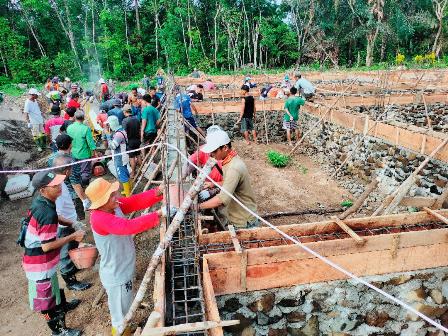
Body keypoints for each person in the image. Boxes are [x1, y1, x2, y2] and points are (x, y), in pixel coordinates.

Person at [86, 178, 170, 336]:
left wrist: (156, 192)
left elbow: (133, 201)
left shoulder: (112, 206)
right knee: (119, 315)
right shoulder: (99, 217)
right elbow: (127, 227)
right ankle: (120, 332)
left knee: (126, 304)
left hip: (123, 266)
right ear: (101, 203)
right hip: (116, 273)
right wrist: (157, 215)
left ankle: (126, 327)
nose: (116, 196)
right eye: (111, 195)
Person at [22, 170, 85, 336]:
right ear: (43, 190)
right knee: (46, 301)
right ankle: (58, 330)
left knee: (53, 286)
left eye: (59, 183)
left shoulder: (43, 202)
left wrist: (72, 222)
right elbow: (47, 246)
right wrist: (73, 235)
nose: (59, 187)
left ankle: (62, 306)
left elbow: (56, 216)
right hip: (39, 264)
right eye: (54, 185)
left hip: (43, 261)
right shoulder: (46, 212)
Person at [198, 130, 258, 229]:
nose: (211, 154)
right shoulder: (229, 160)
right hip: (238, 214)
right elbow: (230, 182)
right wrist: (214, 184)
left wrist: (198, 207)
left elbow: (221, 200)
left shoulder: (233, 168)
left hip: (243, 220)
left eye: (214, 151)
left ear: (225, 148)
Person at [52, 155, 92, 291]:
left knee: (72, 247)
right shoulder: (56, 187)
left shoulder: (59, 181)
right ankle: (70, 281)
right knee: (65, 252)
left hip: (69, 222)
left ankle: (73, 267)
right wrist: (72, 224)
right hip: (64, 227)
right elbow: (55, 215)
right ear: (67, 170)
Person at [48, 134, 91, 218]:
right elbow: (75, 183)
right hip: (72, 195)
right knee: (75, 217)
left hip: (58, 191)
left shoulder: (51, 158)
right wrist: (84, 199)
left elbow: (50, 174)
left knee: (64, 215)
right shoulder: (70, 160)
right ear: (70, 144)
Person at [66, 110, 97, 187]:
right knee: (85, 172)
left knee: (76, 170)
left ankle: (78, 185)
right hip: (84, 154)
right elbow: (90, 142)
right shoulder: (86, 129)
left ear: (75, 117)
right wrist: (94, 152)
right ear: (83, 118)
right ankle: (85, 187)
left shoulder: (69, 128)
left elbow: (68, 140)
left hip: (73, 152)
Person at [104, 115, 131, 196]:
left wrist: (108, 136)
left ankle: (128, 194)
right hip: (124, 156)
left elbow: (113, 146)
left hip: (120, 158)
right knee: (126, 173)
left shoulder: (118, 135)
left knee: (122, 175)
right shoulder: (122, 131)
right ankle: (129, 190)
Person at [122, 104, 141, 179]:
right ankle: (142, 170)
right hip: (137, 140)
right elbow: (139, 130)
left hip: (130, 141)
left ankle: (133, 173)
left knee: (132, 158)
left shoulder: (125, 121)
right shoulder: (136, 119)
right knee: (138, 155)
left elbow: (124, 133)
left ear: (125, 112)